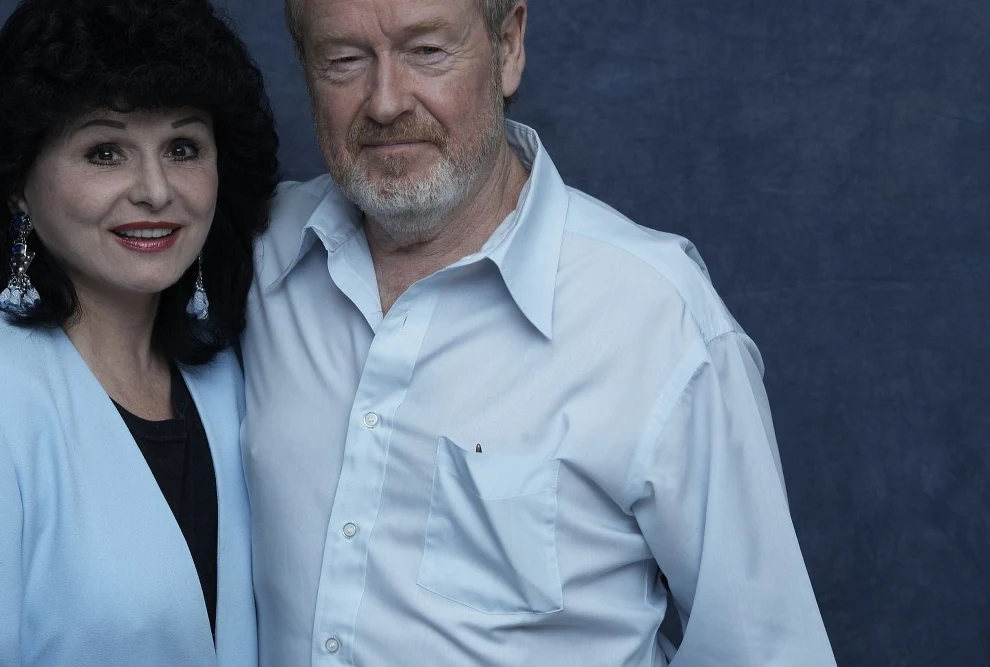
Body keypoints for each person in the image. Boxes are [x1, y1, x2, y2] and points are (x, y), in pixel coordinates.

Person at [239, 0, 839, 664]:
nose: (385, 101)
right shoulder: (254, 256)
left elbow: (768, 650)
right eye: (345, 59)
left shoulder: (658, 320)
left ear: (508, 46)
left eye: (427, 51)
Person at [0, 0, 277, 665]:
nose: (156, 190)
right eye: (105, 152)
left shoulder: (230, 379)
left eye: (182, 148)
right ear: (18, 184)